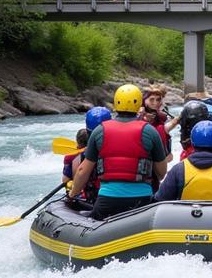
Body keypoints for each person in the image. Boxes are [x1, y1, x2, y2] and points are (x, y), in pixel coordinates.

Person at [67, 84, 168, 220]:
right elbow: (161, 173)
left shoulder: (99, 131)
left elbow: (82, 171)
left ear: (115, 104)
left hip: (108, 200)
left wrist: (73, 194)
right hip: (142, 201)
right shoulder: (150, 131)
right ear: (139, 103)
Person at [62, 106, 109, 203]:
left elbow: (65, 180)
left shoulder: (74, 157)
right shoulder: (115, 150)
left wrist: (71, 193)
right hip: (113, 197)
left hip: (89, 199)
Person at [139, 83, 172, 156]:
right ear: (144, 100)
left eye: (158, 100)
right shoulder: (137, 115)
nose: (155, 103)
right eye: (151, 99)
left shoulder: (162, 116)